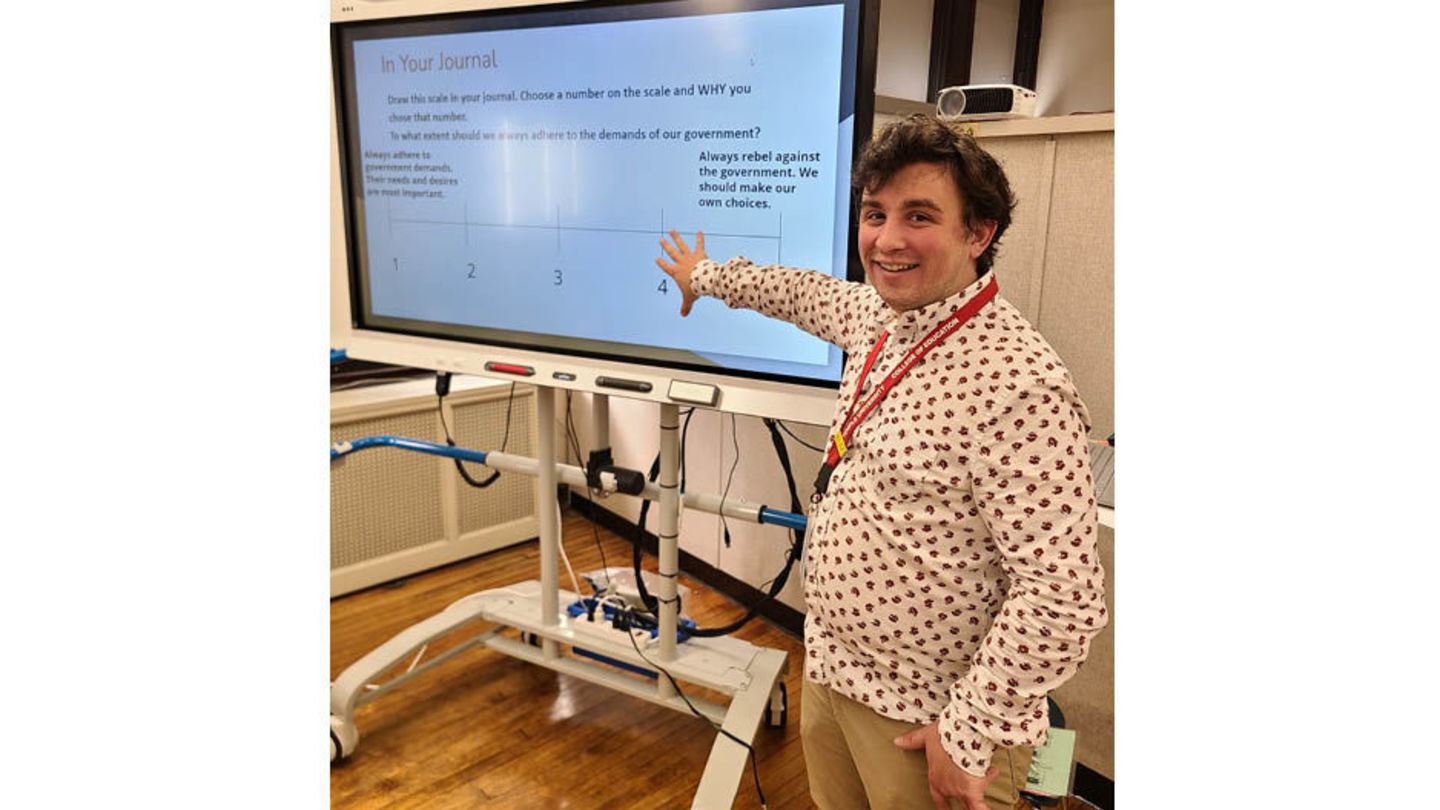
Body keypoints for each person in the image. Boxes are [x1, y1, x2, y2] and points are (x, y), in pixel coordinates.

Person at [655, 114, 1108, 810]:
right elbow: (797, 291)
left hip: (928, 720)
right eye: (875, 213)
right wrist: (705, 276)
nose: (887, 239)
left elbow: (1064, 596)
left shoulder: (1021, 385)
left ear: (979, 233)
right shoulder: (880, 317)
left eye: (919, 215)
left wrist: (968, 734)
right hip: (834, 672)